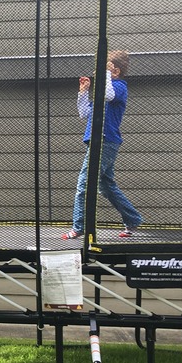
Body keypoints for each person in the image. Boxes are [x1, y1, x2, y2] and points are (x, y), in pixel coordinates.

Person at [62, 49, 143, 240]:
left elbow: (108, 95)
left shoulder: (119, 87)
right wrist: (83, 93)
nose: (99, 73)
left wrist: (106, 73)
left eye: (104, 69)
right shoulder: (104, 89)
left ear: (114, 72)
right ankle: (133, 219)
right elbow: (85, 113)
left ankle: (79, 225)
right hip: (99, 142)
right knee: (106, 186)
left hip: (104, 141)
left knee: (84, 184)